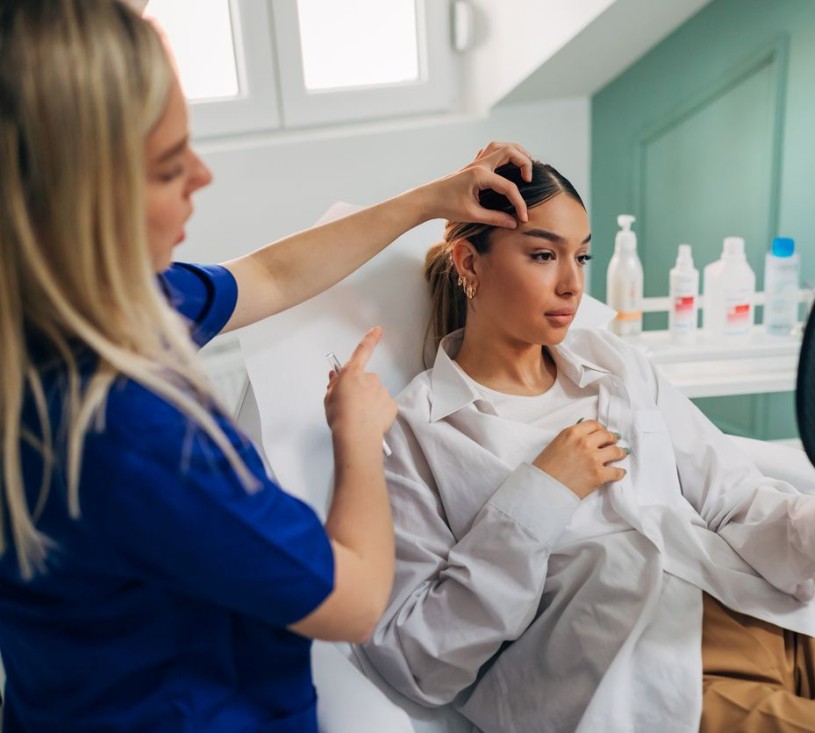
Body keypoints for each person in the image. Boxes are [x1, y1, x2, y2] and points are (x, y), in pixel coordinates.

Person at [0, 1, 535, 730]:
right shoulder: (135, 435)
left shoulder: (88, 308)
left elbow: (272, 275)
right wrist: (357, 440)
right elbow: (354, 598)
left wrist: (431, 197)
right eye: (166, 168)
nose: (201, 175)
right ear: (76, 198)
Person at [359, 161, 815, 733]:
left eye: (581, 257)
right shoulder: (419, 431)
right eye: (542, 255)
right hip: (647, 681)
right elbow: (419, 660)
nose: (572, 286)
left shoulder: (618, 365)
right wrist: (540, 494)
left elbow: (733, 500)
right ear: (471, 264)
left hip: (774, 622)